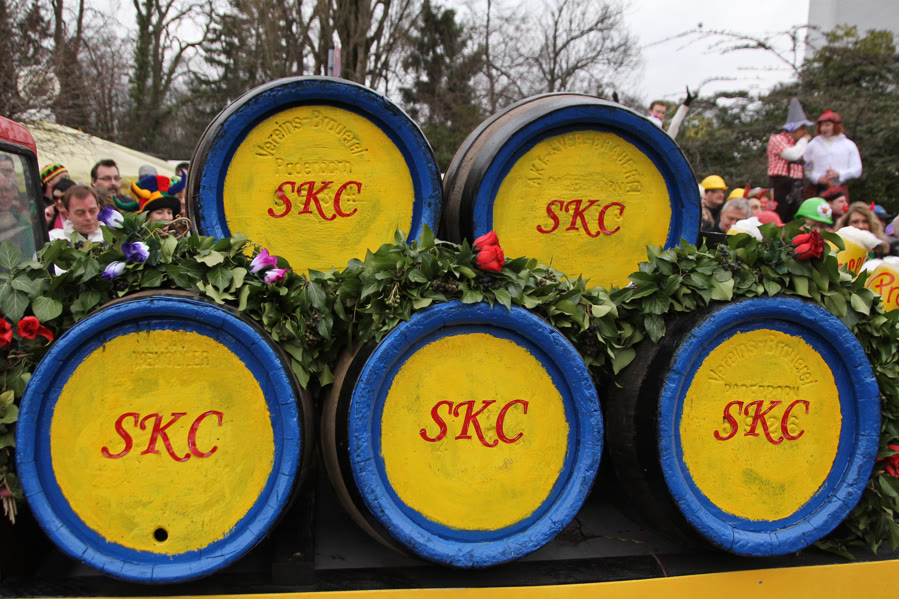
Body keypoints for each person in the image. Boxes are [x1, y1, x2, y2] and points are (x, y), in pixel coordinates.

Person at [768, 98, 813, 224]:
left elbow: (808, 163)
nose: (805, 132)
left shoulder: (799, 144)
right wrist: (804, 140)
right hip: (780, 184)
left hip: (797, 184)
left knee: (795, 217)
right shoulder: (777, 139)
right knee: (779, 216)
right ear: (793, 128)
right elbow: (792, 155)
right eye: (802, 128)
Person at [803, 110, 862, 200]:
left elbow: (857, 170)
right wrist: (817, 178)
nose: (823, 128)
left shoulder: (849, 145)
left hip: (839, 190)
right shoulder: (813, 145)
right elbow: (807, 166)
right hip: (816, 189)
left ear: (836, 126)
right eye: (821, 125)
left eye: (827, 125)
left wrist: (839, 174)